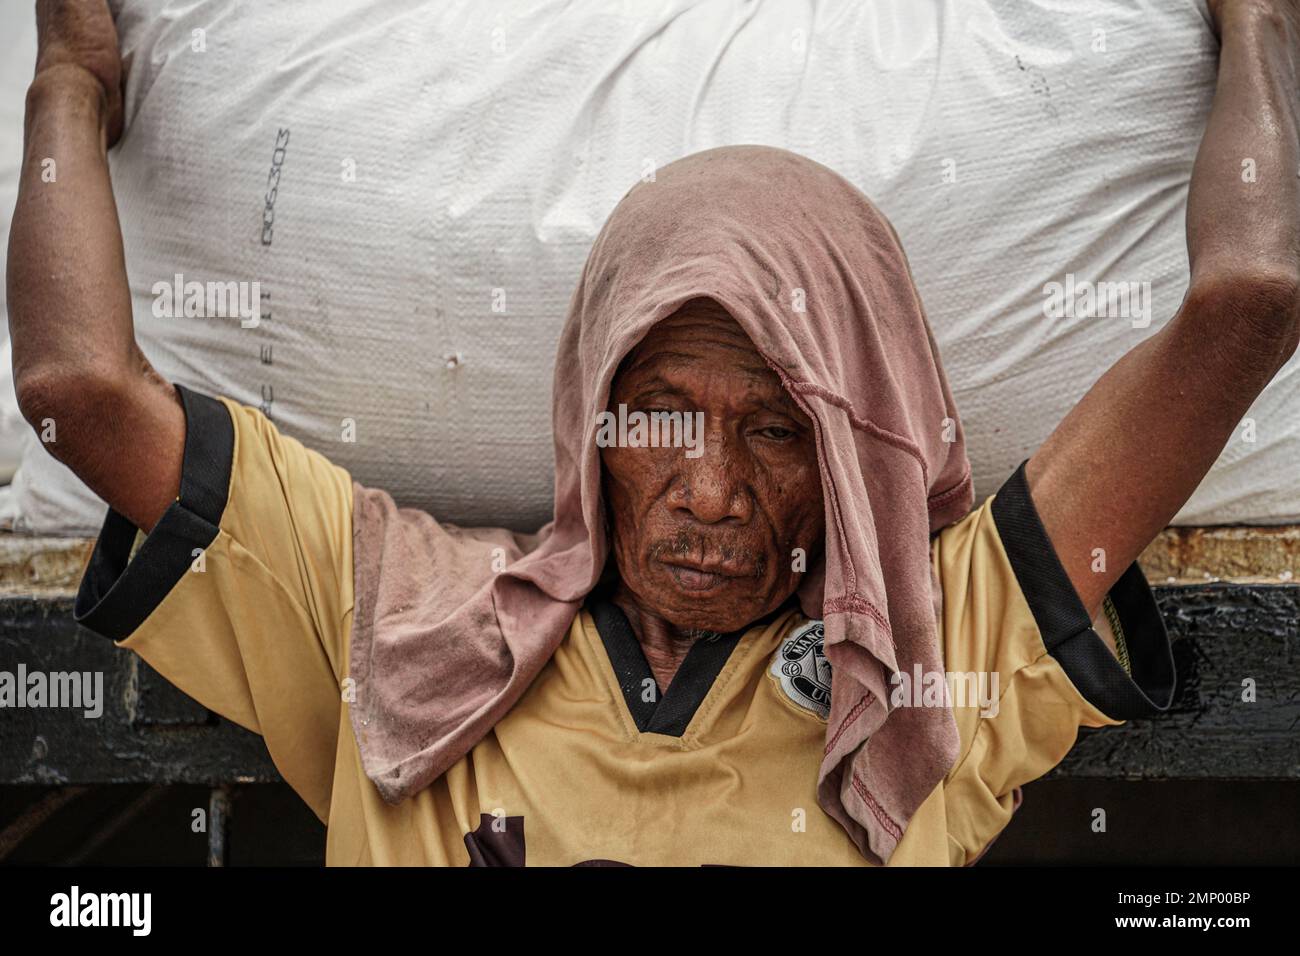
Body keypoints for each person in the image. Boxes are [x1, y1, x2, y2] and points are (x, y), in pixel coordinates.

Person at [7, 0, 1298, 866]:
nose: (713, 491)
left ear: (853, 457)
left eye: (780, 433)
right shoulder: (398, 629)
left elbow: (1251, 302)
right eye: (658, 416)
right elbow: (76, 387)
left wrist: (1257, 28)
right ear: (588, 419)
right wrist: (70, 73)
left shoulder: (919, 676)